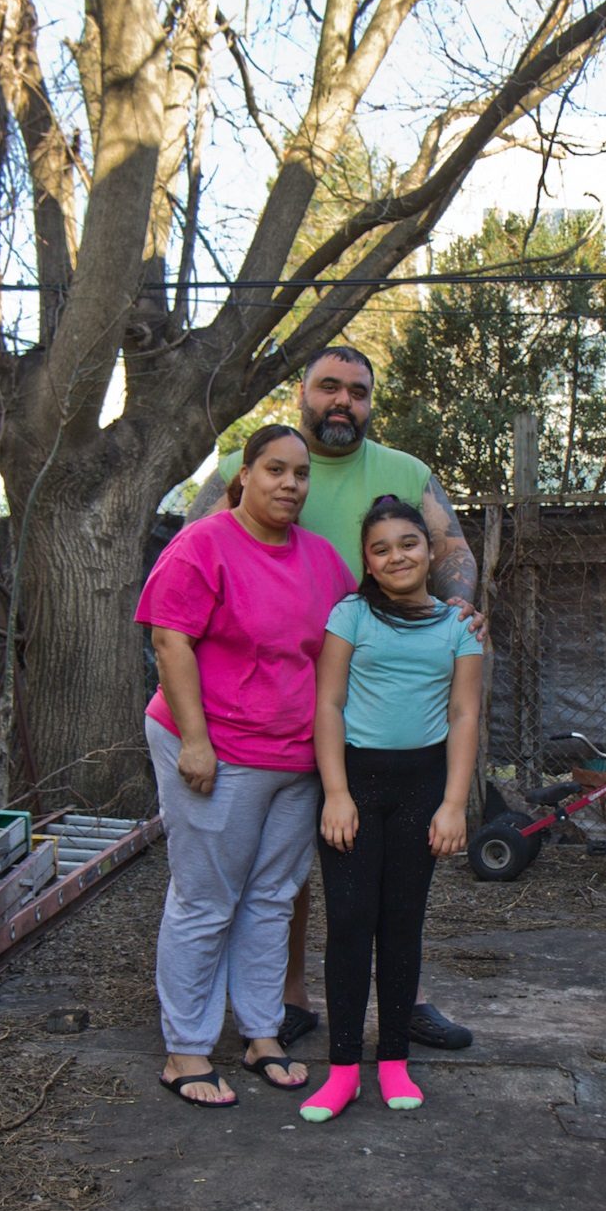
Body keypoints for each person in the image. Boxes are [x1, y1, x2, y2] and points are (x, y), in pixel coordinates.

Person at [187, 346, 482, 1052]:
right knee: (290, 860)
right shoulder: (245, 465)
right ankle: (288, 996)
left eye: (357, 390)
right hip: (281, 696)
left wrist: (464, 605)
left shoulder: (405, 471)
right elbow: (192, 549)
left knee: (398, 859)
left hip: (388, 694)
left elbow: (453, 549)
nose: (342, 401)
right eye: (329, 387)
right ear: (301, 393)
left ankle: (402, 999)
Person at [136, 425, 357, 1107]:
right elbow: (170, 639)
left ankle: (262, 1031)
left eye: (300, 474)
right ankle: (187, 1048)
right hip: (215, 748)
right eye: (275, 470)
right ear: (245, 476)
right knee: (206, 899)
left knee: (272, 897)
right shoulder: (204, 544)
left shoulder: (321, 560)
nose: (290, 484)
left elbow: (356, 635)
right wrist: (196, 741)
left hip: (294, 758)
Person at [299, 497, 482, 1123]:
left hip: (422, 787)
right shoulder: (350, 616)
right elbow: (328, 704)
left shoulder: (459, 628)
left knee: (403, 923)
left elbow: (463, 716)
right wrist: (337, 792)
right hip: (355, 784)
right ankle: (344, 1069)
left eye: (409, 543)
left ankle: (395, 1060)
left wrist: (454, 804)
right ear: (368, 564)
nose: (397, 555)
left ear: (430, 552)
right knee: (350, 921)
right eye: (381, 548)